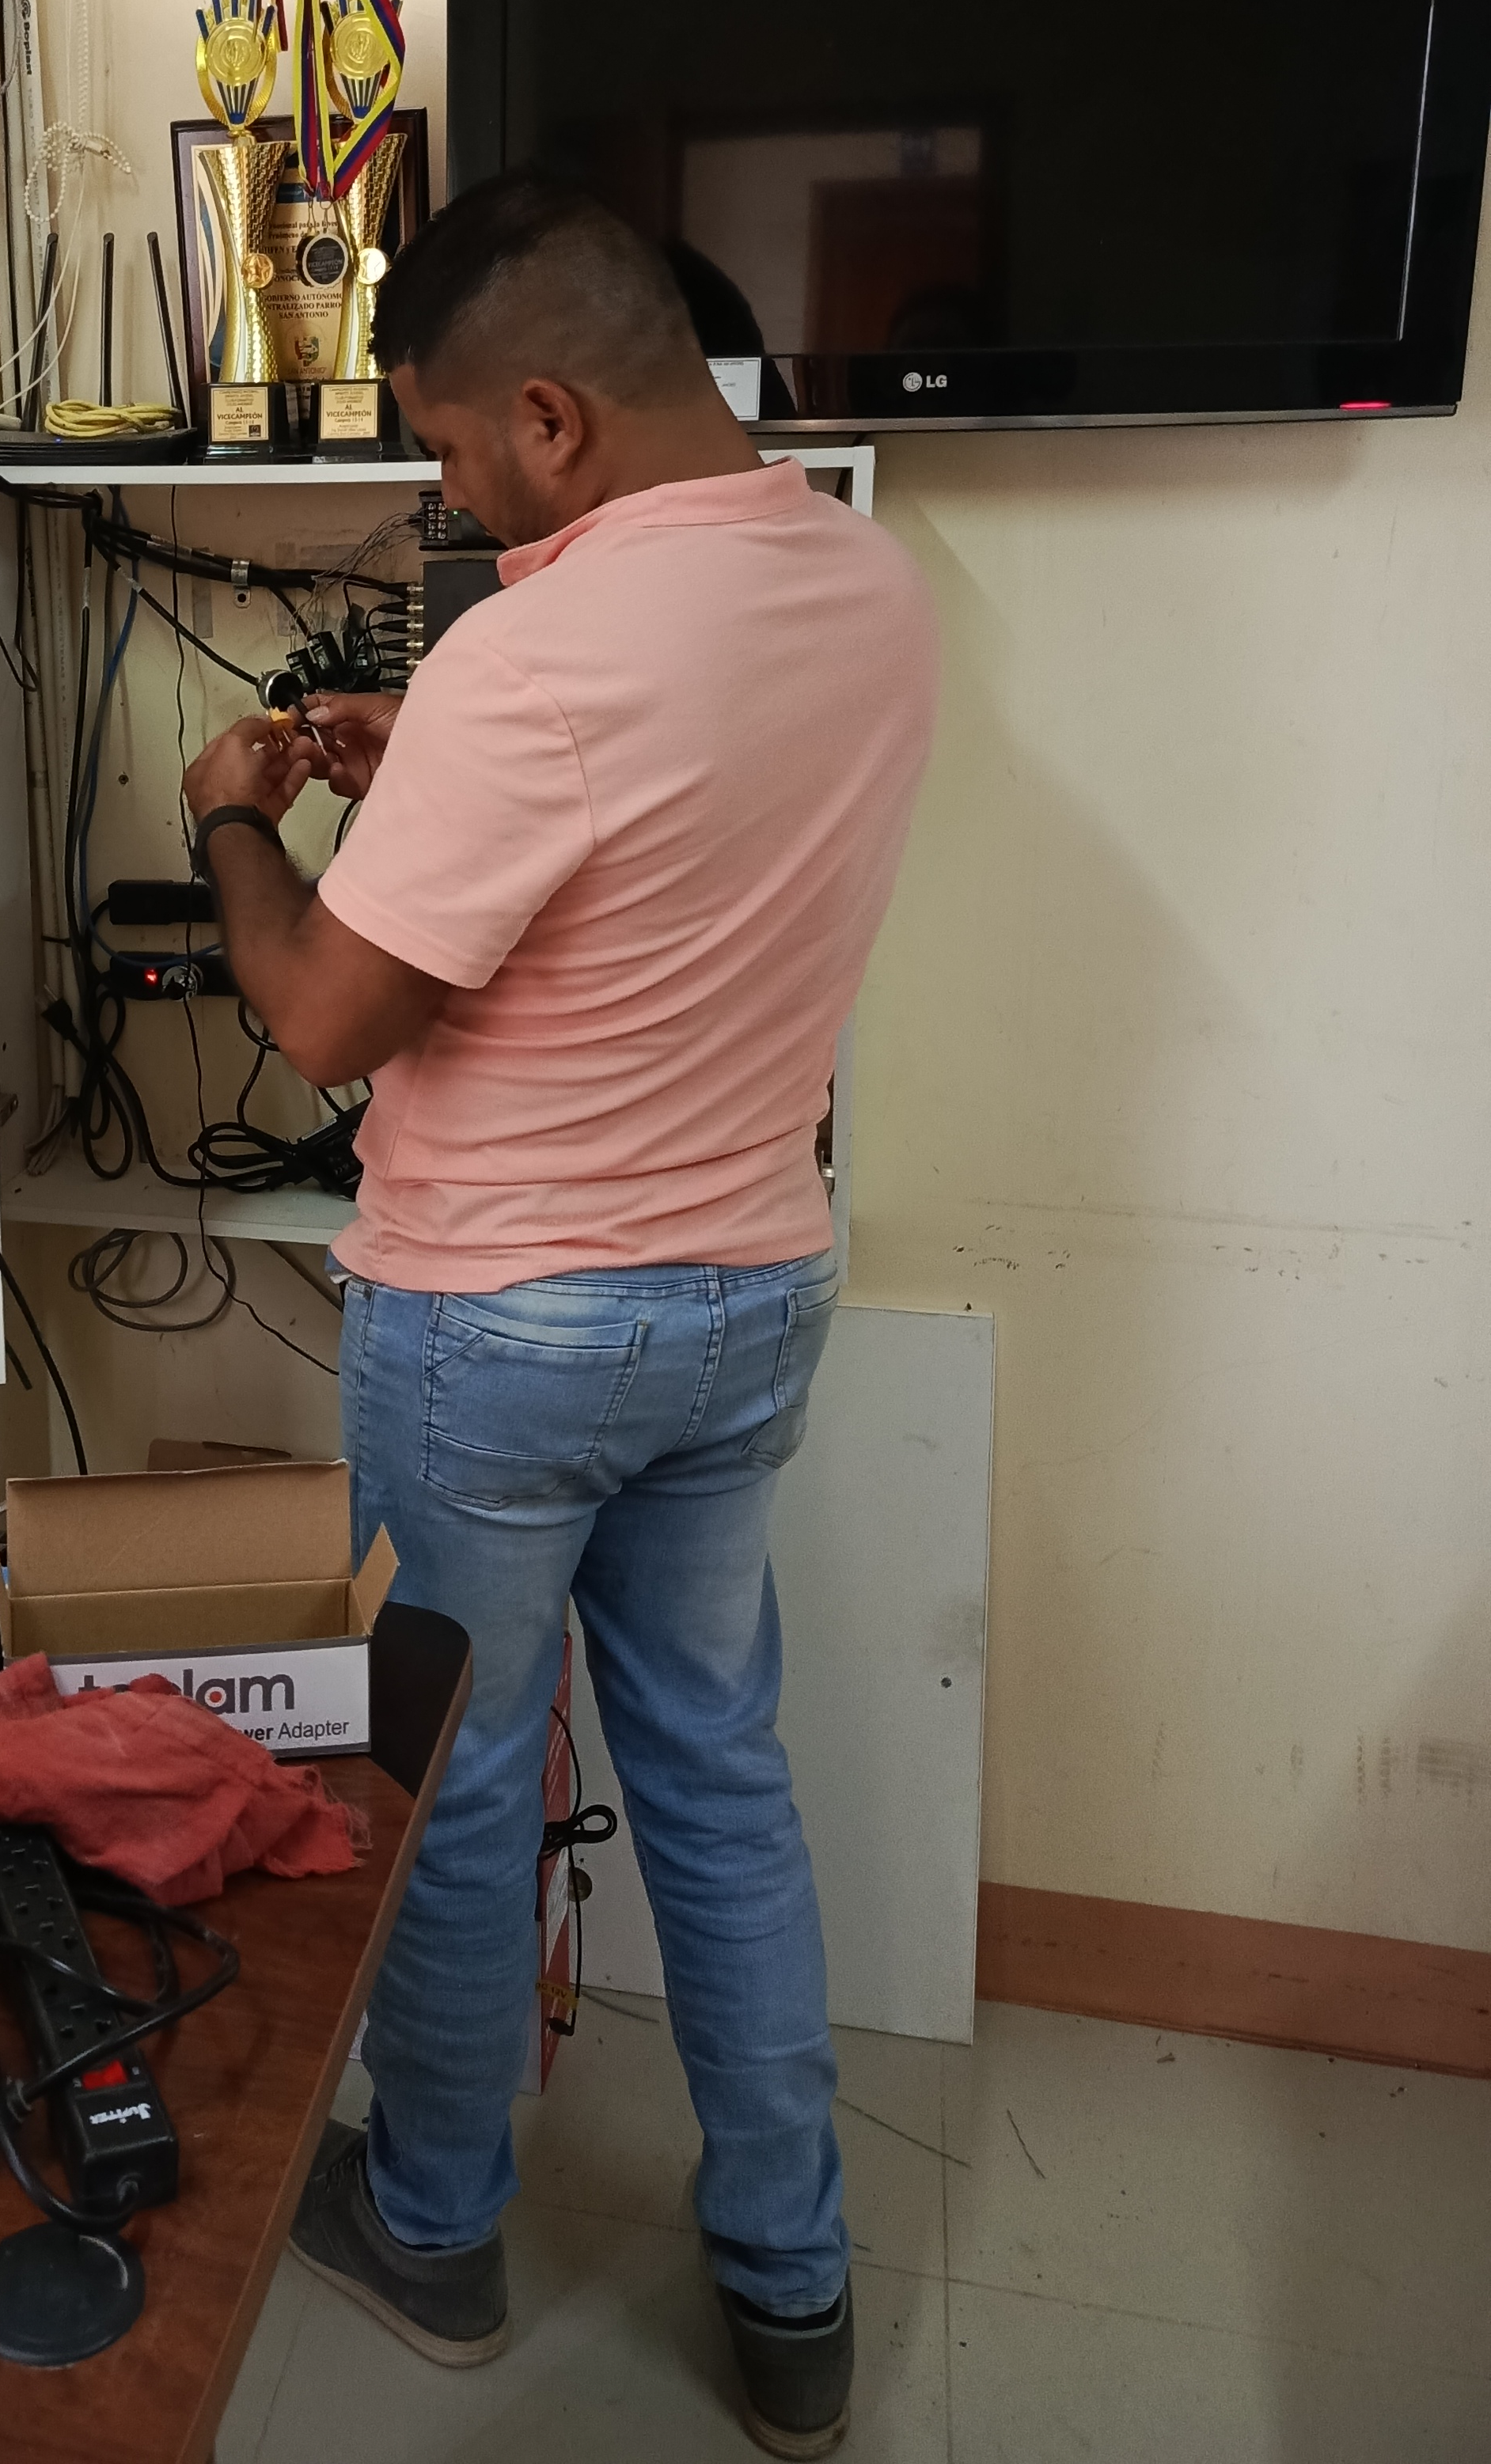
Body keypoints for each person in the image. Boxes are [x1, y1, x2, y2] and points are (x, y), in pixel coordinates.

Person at [179, 169, 939, 2456]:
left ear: (549, 416)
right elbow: (666, 823)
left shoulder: (537, 657)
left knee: (459, 1791)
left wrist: (236, 823)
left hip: (505, 1335)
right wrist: (432, 760)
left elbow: (325, 1017)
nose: (448, 495)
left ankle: (432, 2234)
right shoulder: (867, 587)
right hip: (751, 1295)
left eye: (447, 448)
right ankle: (793, 2291)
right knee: (720, 1775)